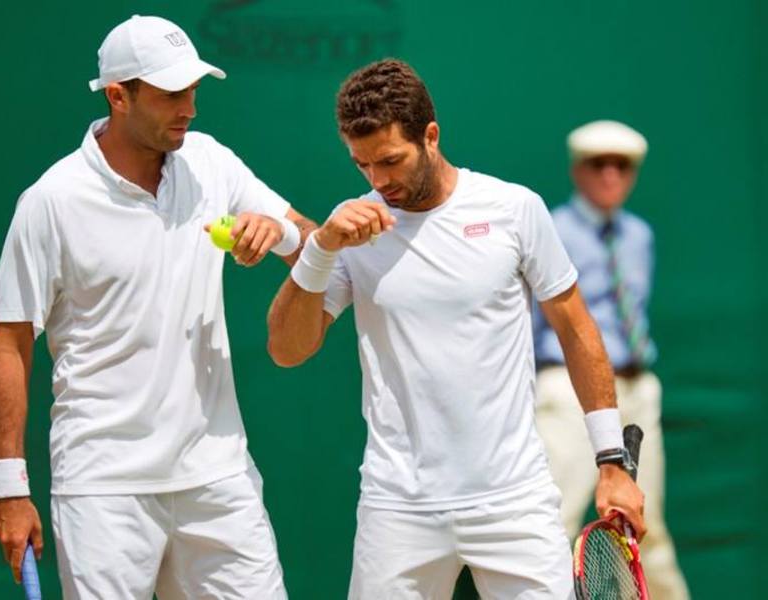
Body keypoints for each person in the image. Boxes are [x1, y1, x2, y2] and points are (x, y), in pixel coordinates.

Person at [266, 59, 645, 599]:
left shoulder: (514, 209)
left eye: (390, 161)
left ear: (431, 136)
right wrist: (321, 249)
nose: (378, 181)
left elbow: (576, 327)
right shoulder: (350, 231)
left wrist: (611, 461)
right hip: (397, 508)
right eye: (362, 165)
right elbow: (286, 349)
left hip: (514, 500)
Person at [0, 15, 314, 599]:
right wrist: (10, 487)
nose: (189, 107)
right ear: (118, 96)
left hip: (217, 477)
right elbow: (10, 344)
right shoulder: (50, 202)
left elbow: (313, 248)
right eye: (170, 94)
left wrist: (280, 234)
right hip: (103, 487)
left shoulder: (211, 163)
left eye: (192, 90)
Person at [533, 120, 690, 599]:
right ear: (578, 170)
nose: (609, 176)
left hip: (638, 388)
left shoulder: (639, 235)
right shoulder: (552, 230)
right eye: (597, 164)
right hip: (567, 387)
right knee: (553, 520)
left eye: (620, 166)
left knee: (646, 525)